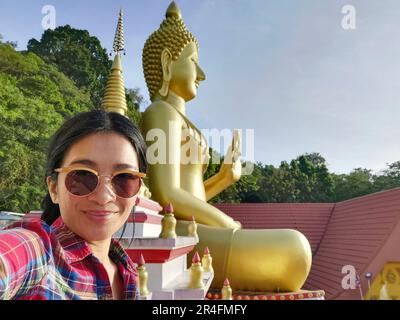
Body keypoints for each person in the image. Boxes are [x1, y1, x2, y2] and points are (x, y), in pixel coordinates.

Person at [140, 2, 312, 291]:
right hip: (178, 236)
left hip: (196, 228)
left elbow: (189, 198)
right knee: (293, 249)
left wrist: (222, 179)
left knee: (295, 248)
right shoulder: (159, 112)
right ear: (168, 61)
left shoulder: (177, 117)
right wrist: (227, 222)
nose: (201, 74)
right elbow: (166, 195)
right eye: (193, 61)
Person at [0, 109, 147, 300]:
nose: (103, 197)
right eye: (82, 175)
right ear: (54, 188)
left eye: (124, 178)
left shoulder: (126, 272)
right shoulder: (39, 254)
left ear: (138, 190)